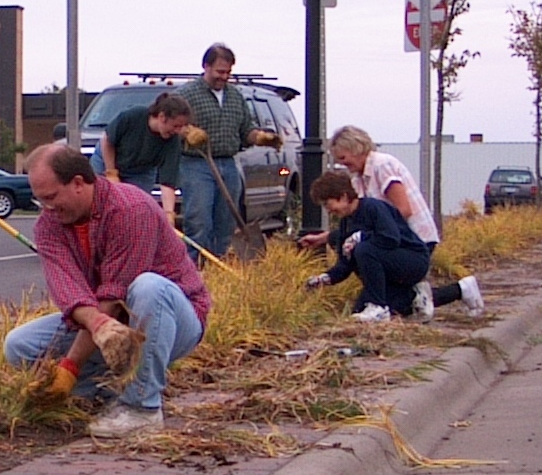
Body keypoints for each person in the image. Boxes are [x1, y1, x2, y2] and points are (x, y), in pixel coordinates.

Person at [3, 145, 211, 437]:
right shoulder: (49, 226)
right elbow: (71, 294)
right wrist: (94, 328)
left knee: (148, 287)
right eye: (40, 200)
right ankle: (106, 392)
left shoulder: (130, 209)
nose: (47, 208)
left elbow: (113, 298)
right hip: (109, 322)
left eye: (51, 197)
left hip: (173, 318)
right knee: (18, 345)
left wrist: (71, 366)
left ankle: (142, 408)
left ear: (78, 183)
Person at [298, 125, 484, 319]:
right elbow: (358, 224)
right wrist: (329, 240)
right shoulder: (359, 180)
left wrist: (368, 235)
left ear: (357, 149)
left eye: (343, 158)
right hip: (387, 242)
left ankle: (392, 302)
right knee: (393, 299)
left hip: (411, 240)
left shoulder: (381, 166)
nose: (343, 164)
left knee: (367, 256)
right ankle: (459, 290)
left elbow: (402, 209)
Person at [175, 43, 282, 258]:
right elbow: (172, 124)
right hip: (196, 164)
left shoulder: (235, 96)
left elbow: (246, 130)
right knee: (199, 221)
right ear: (206, 66)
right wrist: (187, 132)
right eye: (220, 72)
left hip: (229, 164)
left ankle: (218, 266)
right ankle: (193, 269)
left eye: (228, 72)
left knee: (226, 222)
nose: (224, 77)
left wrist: (261, 138)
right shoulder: (185, 95)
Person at [305, 171, 430, 323]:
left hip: (413, 260)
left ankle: (378, 306)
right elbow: (345, 263)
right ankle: (413, 297)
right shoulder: (346, 222)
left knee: (364, 249)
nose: (328, 210)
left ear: (343, 196)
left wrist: (362, 237)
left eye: (328, 204)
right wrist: (325, 278)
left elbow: (391, 238)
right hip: (388, 267)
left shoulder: (373, 207)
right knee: (359, 311)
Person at [88, 92, 191, 227]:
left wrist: (169, 214)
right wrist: (111, 173)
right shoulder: (133, 116)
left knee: (136, 211)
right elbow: (107, 141)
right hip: (106, 160)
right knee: (99, 205)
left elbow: (167, 182)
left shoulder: (172, 141)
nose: (178, 131)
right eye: (175, 126)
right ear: (161, 117)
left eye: (181, 127)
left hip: (140, 172)